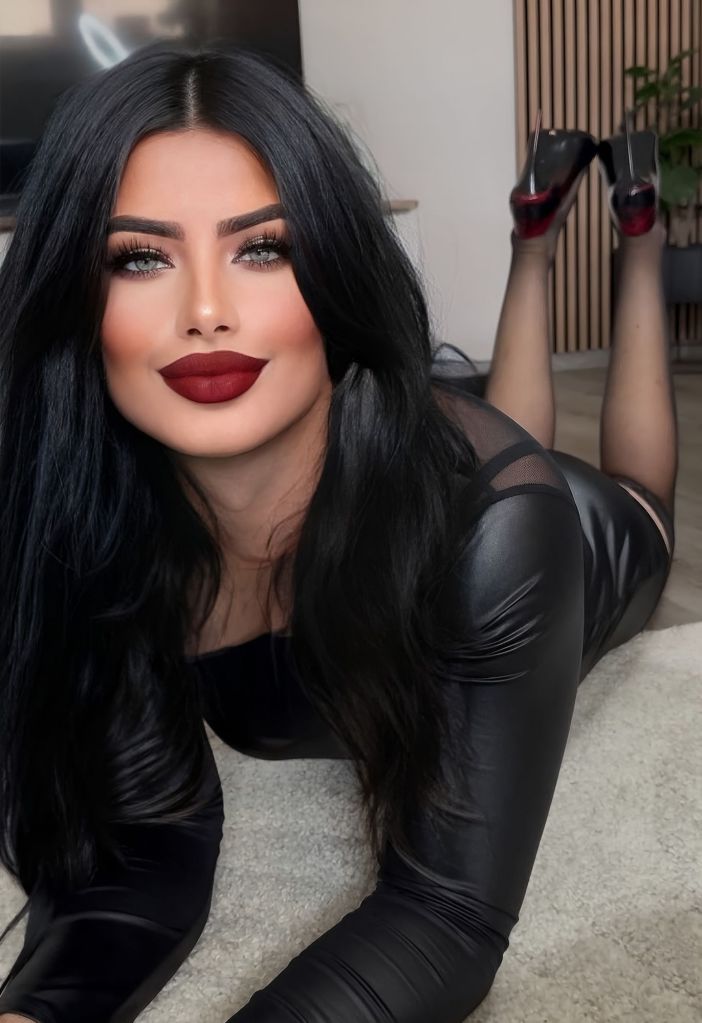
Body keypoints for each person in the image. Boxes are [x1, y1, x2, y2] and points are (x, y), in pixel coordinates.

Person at [0, 39, 676, 1023]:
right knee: (501, 434)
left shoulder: (499, 536)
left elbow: (445, 916)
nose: (205, 312)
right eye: (140, 257)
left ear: (334, 272)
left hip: (574, 535)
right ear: (74, 297)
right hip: (449, 472)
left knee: (639, 492)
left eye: (261, 248)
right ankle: (534, 230)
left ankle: (635, 236)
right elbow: (133, 853)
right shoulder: (85, 513)